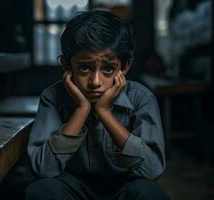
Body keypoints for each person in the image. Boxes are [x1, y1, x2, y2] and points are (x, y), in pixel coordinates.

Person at [26, 10, 169, 200]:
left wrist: (104, 112)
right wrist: (81, 109)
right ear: (66, 66)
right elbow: (43, 169)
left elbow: (151, 171)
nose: (95, 82)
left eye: (108, 69)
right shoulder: (52, 97)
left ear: (124, 67)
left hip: (123, 187)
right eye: (84, 67)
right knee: (40, 192)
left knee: (150, 194)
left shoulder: (141, 99)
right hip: (72, 187)